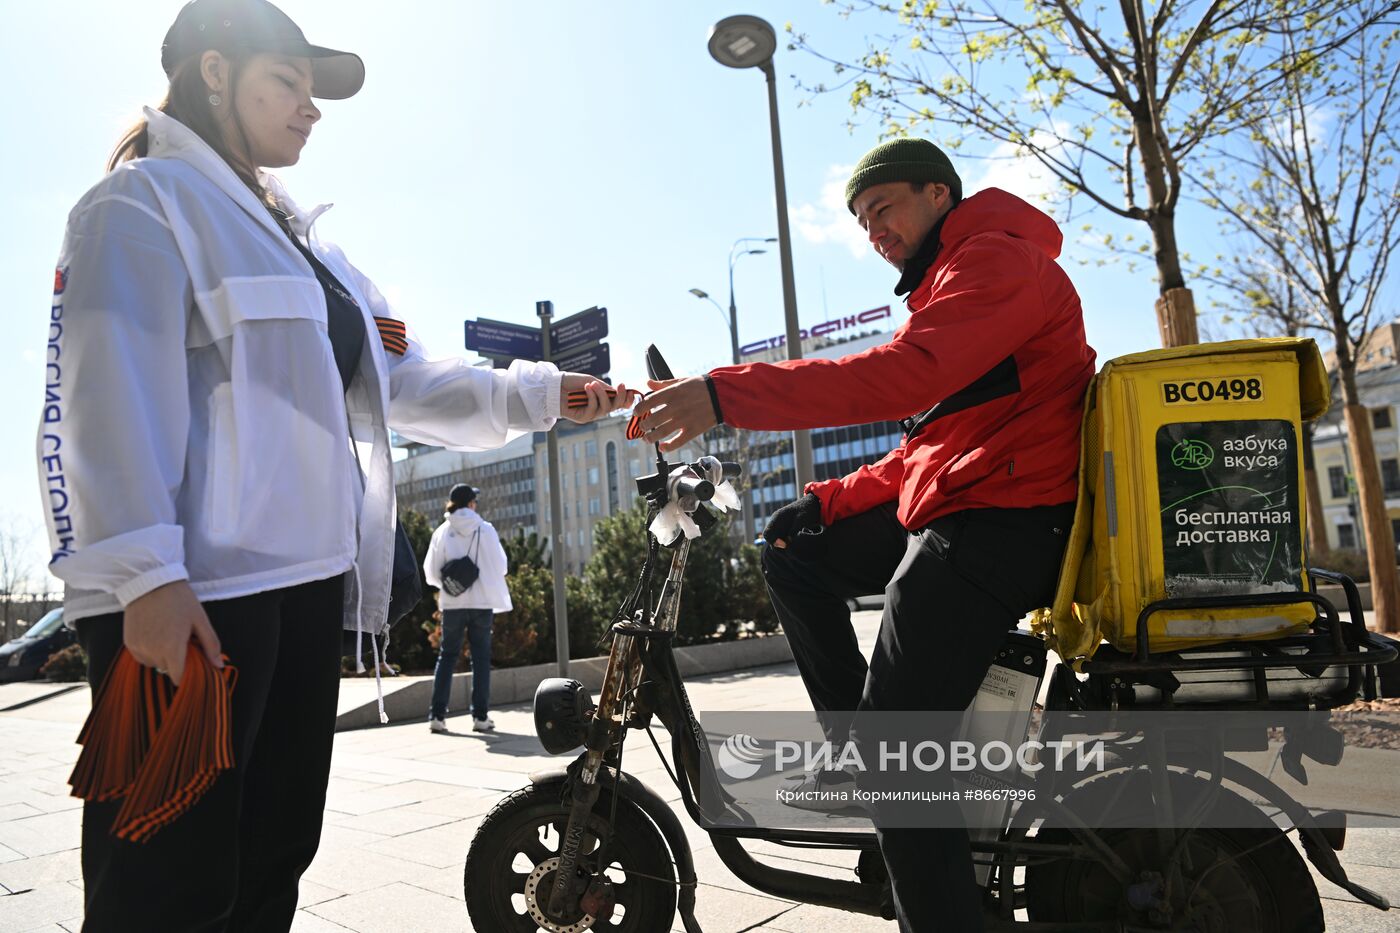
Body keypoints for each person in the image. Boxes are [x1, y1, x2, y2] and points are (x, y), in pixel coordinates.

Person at [37, 2, 631, 930]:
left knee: (272, 862)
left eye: (316, 93)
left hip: (303, 590)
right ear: (215, 73)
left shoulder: (317, 251)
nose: (311, 109)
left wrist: (551, 394)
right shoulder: (138, 207)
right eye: (289, 84)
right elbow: (100, 401)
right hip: (193, 602)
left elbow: (407, 379)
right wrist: (143, 577)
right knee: (164, 883)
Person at [633, 137, 1096, 932]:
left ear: (938, 195)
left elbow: (901, 377)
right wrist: (828, 502)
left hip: (1009, 518)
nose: (872, 229)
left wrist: (724, 391)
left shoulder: (998, 262)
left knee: (898, 754)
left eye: (883, 207)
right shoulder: (954, 278)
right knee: (794, 553)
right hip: (974, 491)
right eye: (859, 219)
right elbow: (929, 443)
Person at [423, 484, 510, 733]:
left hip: (452, 604)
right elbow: (502, 566)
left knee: (447, 656)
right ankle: (480, 718)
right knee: (481, 658)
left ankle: (437, 716)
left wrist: (453, 586)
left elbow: (431, 572)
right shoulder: (485, 530)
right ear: (471, 504)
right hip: (482, 604)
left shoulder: (442, 532)